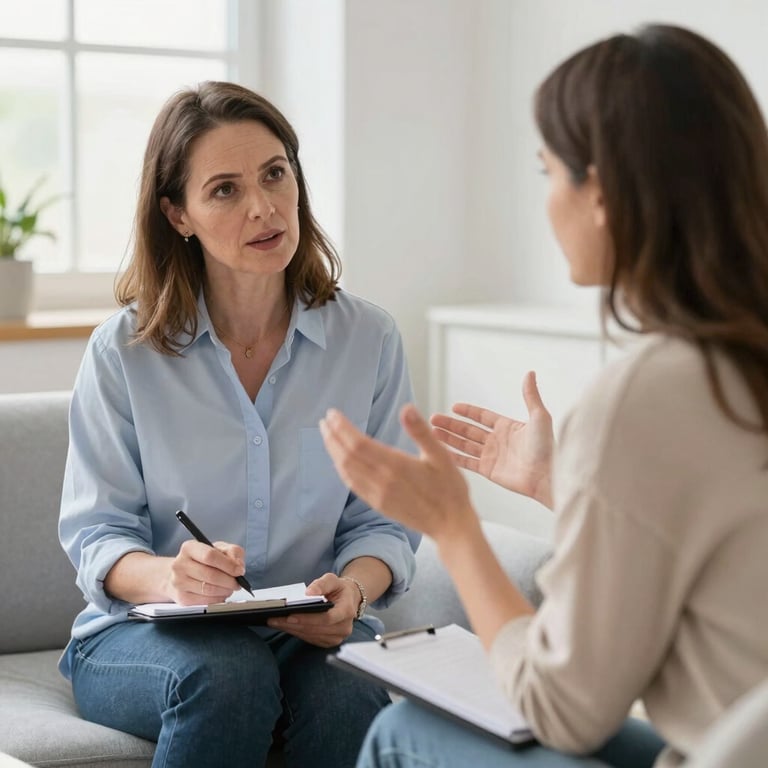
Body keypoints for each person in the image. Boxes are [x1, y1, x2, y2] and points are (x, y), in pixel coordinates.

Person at [319, 23, 768, 768]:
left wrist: (453, 527)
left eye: (549, 172)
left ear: (605, 193)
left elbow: (566, 710)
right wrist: (561, 483)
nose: (547, 201)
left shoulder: (649, 395)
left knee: (402, 732)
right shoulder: (737, 362)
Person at [58, 80, 420, 768]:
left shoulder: (368, 338)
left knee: (355, 685)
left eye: (275, 174)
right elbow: (99, 535)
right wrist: (171, 577)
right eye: (224, 189)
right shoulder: (123, 352)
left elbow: (384, 521)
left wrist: (356, 589)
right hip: (140, 638)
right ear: (178, 213)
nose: (263, 207)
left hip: (307, 634)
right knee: (226, 673)